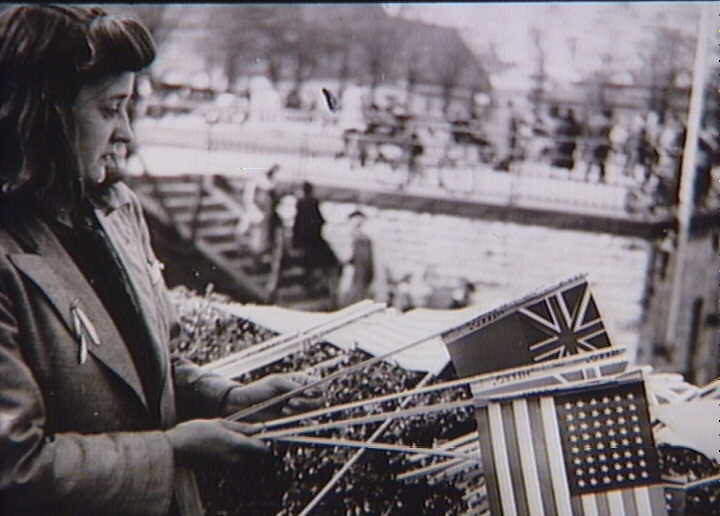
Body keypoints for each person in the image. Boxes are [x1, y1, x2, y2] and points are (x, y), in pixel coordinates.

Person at [0, 6, 322, 516]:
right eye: (110, 110)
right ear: (46, 115)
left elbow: (150, 367)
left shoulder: (116, 210)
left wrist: (227, 399)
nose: (127, 135)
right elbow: (14, 470)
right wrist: (171, 451)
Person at [291, 182, 340, 303]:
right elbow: (320, 221)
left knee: (310, 265)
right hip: (314, 239)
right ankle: (324, 289)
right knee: (326, 263)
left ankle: (312, 288)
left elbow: (298, 224)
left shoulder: (302, 203)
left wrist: (295, 240)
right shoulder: (312, 202)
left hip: (308, 241)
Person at [338, 210, 375, 307]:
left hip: (360, 272)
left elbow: (368, 260)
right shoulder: (347, 236)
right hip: (350, 270)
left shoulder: (365, 240)